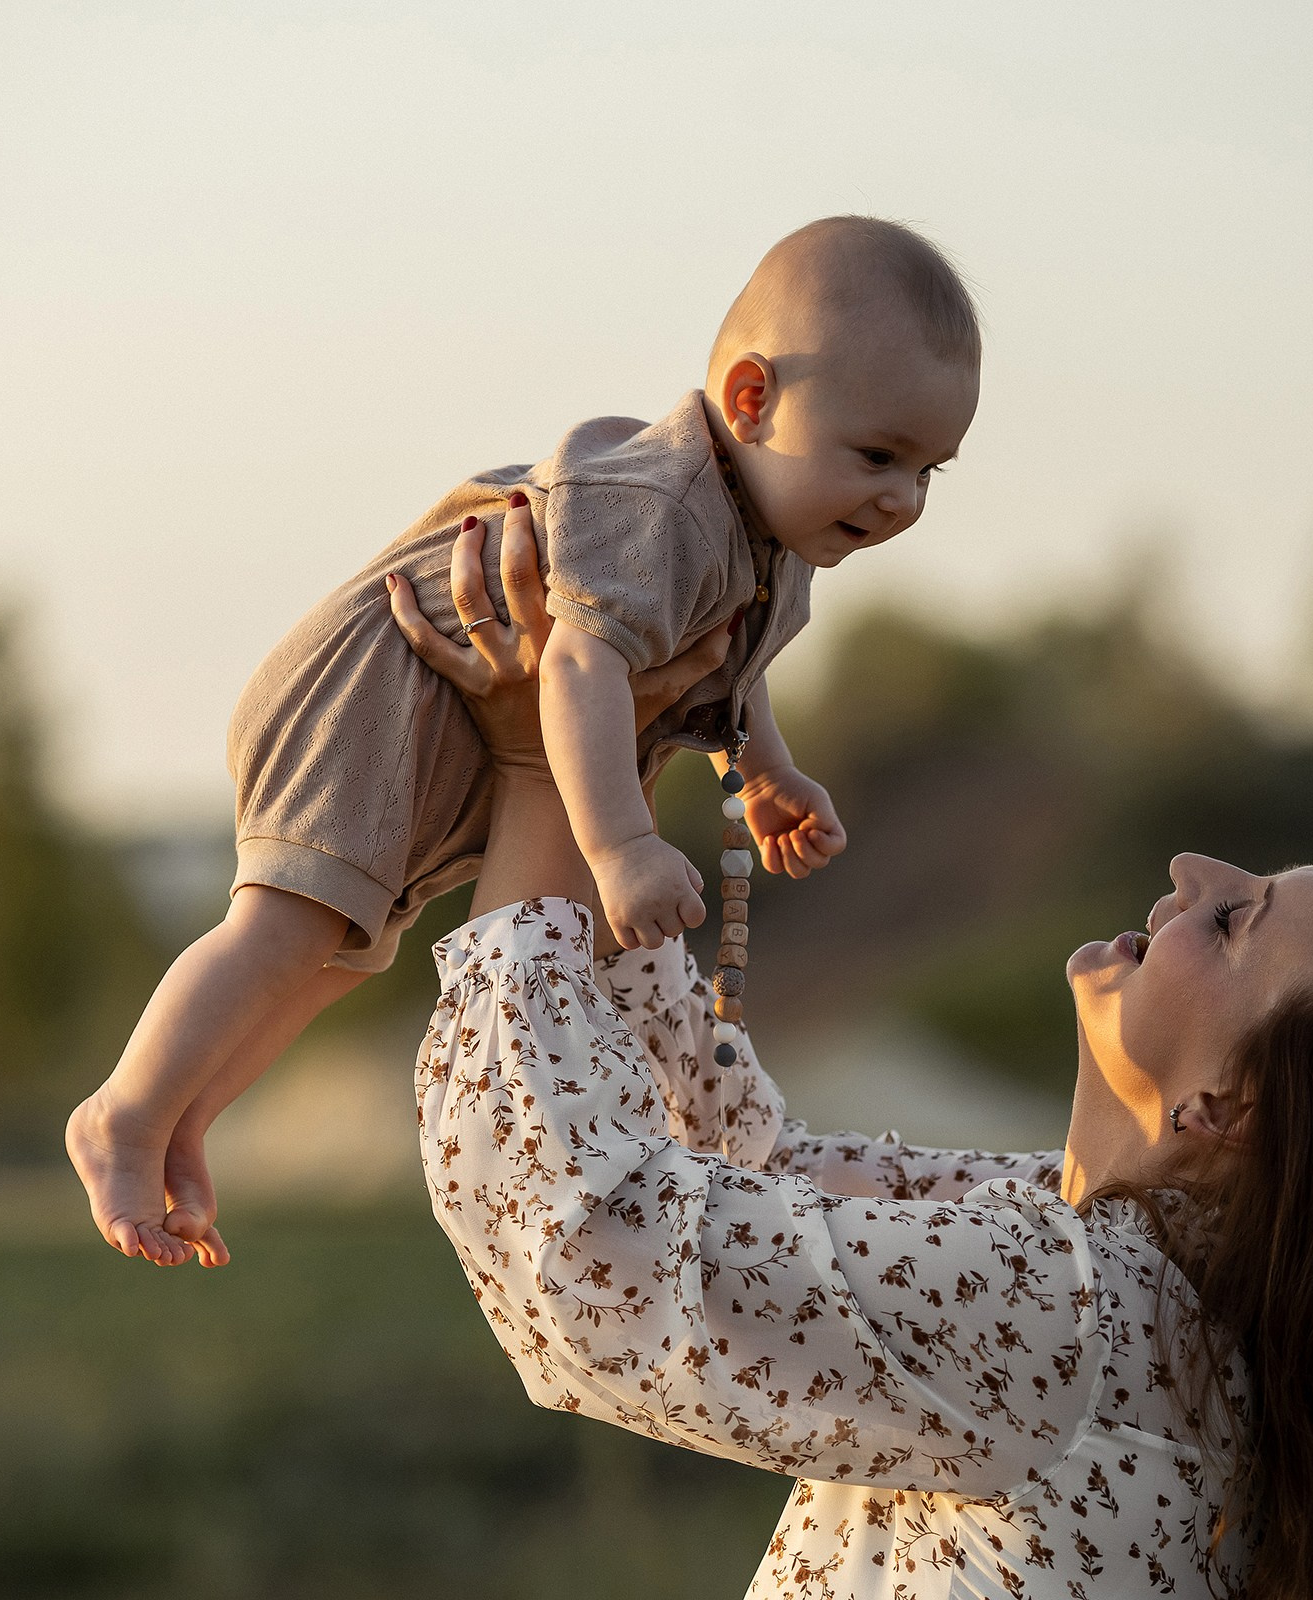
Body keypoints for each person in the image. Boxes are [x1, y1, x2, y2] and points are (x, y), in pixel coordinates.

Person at [391, 505, 1313, 1598]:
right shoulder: (1136, 1286)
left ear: (1227, 1102)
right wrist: (610, 745)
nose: (1189, 870)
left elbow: (587, 1252)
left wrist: (527, 767)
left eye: (1234, 917)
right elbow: (758, 1172)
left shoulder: (1076, 1309)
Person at [67, 216, 984, 1267]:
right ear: (751, 401)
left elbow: (733, 663)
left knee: (339, 955)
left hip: (451, 721)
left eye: (929, 473)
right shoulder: (666, 510)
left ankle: (185, 1113)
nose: (900, 499)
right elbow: (581, 663)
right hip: (377, 685)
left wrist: (763, 769)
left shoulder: (775, 538)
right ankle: (121, 1117)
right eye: (879, 455)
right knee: (287, 923)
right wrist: (623, 845)